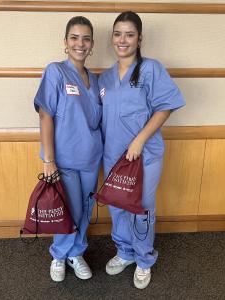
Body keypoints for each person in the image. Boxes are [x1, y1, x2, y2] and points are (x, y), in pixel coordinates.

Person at [98, 11, 185, 289]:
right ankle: (124, 252)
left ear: (139, 39)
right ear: (112, 37)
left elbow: (165, 107)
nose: (122, 40)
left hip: (144, 155)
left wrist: (139, 140)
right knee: (118, 205)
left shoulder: (151, 69)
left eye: (129, 34)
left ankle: (144, 258)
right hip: (113, 155)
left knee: (141, 207)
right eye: (117, 33)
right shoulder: (105, 78)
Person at [34, 16, 102, 282]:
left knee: (84, 208)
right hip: (64, 158)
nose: (80, 44)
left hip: (91, 158)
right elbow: (45, 115)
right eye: (74, 37)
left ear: (92, 44)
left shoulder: (95, 81)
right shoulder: (55, 72)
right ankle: (59, 255)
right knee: (68, 208)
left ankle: (76, 252)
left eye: (86, 38)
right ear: (65, 42)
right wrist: (48, 160)